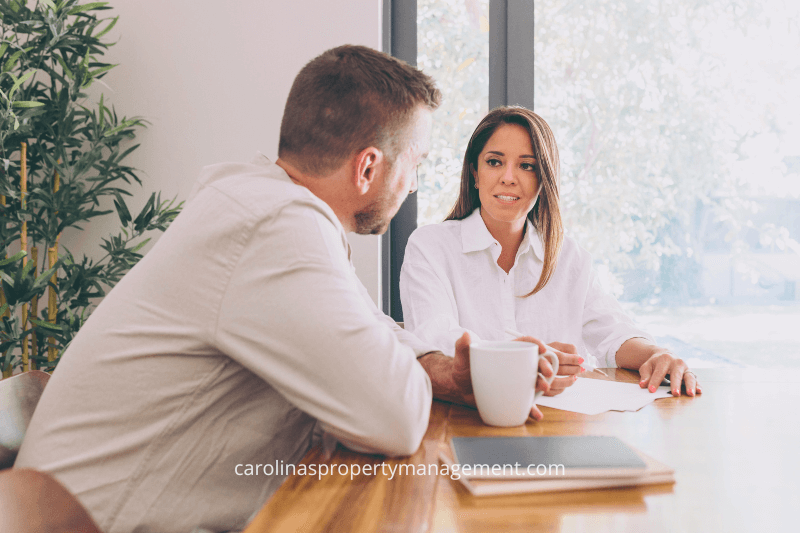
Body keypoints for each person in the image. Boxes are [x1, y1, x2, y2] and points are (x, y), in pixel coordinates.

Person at [16, 46, 552, 533]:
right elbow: (396, 419)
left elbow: (369, 328)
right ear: (368, 166)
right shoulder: (275, 228)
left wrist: (439, 368)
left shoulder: (259, 205)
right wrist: (418, 373)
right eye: (416, 163)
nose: (413, 184)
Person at [400, 106, 702, 398]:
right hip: (465, 418)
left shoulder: (569, 257)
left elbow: (613, 331)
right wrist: (524, 358)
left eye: (527, 166)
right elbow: (435, 336)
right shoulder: (430, 247)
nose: (508, 177)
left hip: (560, 423)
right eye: (494, 162)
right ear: (475, 174)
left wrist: (658, 354)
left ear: (543, 182)